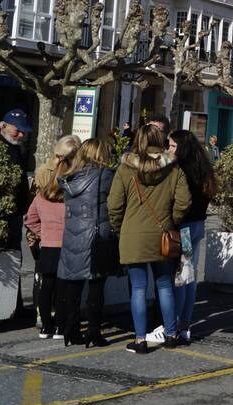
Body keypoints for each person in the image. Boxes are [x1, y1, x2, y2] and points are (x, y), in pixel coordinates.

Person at [108, 124, 190, 354]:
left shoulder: (125, 169)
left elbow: (114, 204)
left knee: (138, 288)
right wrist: (170, 220)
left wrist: (119, 227)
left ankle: (141, 339)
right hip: (162, 235)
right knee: (164, 285)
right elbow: (184, 202)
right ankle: (172, 334)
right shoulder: (174, 169)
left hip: (132, 235)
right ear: (162, 140)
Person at [158, 129, 217, 348]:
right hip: (198, 226)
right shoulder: (203, 167)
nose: (168, 149)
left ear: (181, 147)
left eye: (172, 146)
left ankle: (177, 326)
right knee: (189, 277)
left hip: (183, 228)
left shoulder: (181, 169)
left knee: (182, 279)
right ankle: (186, 323)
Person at [56, 136, 117, 347]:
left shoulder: (68, 178)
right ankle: (93, 330)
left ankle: (70, 330)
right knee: (96, 286)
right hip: (96, 236)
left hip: (73, 235)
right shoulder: (106, 176)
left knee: (73, 285)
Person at [24, 137, 77, 339]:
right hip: (67, 245)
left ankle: (45, 326)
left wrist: (42, 232)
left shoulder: (42, 196)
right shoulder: (71, 198)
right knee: (63, 288)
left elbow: (30, 219)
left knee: (47, 286)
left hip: (47, 245)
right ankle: (60, 327)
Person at [0, 108, 34, 251]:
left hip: (15, 214)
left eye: (24, 131)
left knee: (13, 250)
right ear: (4, 126)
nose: (21, 135)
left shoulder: (16, 148)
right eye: (17, 131)